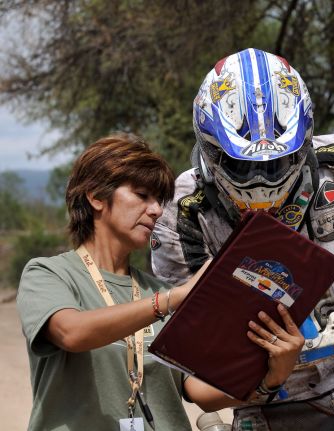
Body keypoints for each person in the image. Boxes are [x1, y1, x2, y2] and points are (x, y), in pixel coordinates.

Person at [151, 48, 334, 430]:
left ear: (304, 141)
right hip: (272, 403)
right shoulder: (184, 212)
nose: (259, 178)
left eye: (274, 163)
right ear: (211, 149)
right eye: (241, 164)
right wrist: (269, 375)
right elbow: (192, 362)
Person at [17, 133, 304, 431]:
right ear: (96, 197)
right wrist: (170, 301)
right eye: (142, 195)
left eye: (159, 200)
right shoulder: (48, 274)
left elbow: (199, 391)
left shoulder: (158, 291)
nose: (156, 210)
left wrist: (272, 375)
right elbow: (71, 333)